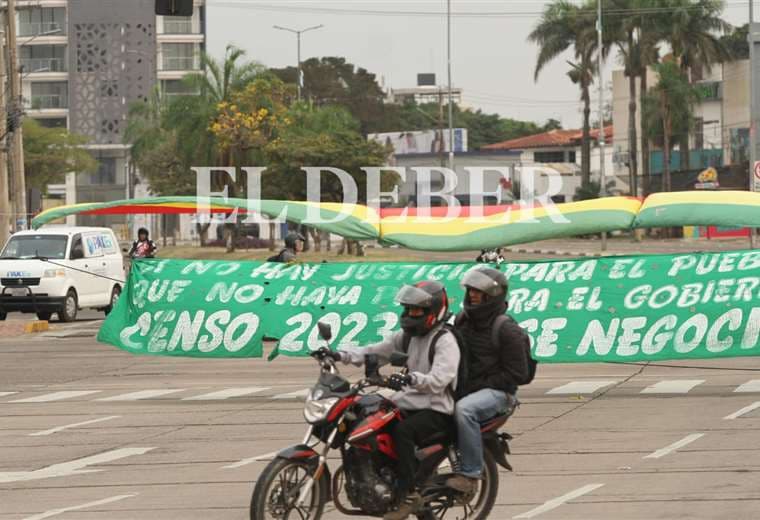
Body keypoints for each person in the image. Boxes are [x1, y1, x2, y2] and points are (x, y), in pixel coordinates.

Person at [335, 281, 460, 520]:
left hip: (437, 409)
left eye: (415, 311)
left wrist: (411, 378)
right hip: (409, 402)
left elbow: (439, 380)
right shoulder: (409, 337)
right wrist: (340, 355)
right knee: (368, 420)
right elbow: (375, 351)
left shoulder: (444, 340)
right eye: (407, 309)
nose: (409, 315)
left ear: (433, 310)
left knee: (402, 432)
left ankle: (410, 494)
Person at [446, 267, 531, 494]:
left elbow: (518, 374)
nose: (472, 294)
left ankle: (471, 474)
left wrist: (478, 384)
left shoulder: (506, 329)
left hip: (500, 394)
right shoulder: (463, 320)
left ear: (492, 295)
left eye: (478, 291)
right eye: (471, 290)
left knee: (465, 410)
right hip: (467, 386)